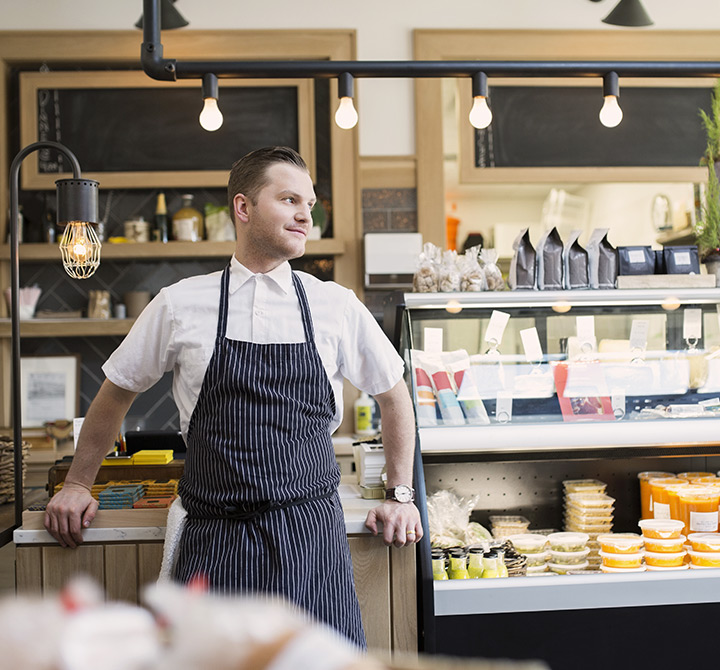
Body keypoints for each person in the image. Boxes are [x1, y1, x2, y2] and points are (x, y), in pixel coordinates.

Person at [44, 146, 422, 648]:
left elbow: (394, 396)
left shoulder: (335, 305)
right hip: (214, 539)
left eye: (309, 202)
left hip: (310, 539)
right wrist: (76, 483)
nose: (306, 214)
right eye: (289, 199)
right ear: (242, 209)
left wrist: (401, 494)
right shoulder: (181, 302)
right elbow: (116, 392)